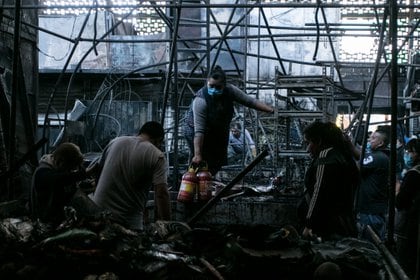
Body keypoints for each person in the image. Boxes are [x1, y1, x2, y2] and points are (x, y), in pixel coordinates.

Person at [183, 65, 274, 176]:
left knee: (218, 160)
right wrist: (197, 154)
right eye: (211, 86)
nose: (214, 90)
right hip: (197, 131)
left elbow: (250, 101)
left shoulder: (230, 91)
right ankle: (194, 185)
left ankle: (207, 183)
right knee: (201, 160)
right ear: (207, 83)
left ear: (224, 85)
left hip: (218, 129)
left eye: (218, 87)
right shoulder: (201, 100)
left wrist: (271, 110)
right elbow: (199, 131)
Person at [92, 121, 171, 230]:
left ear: (140, 133)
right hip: (128, 224)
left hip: (97, 217)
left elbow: (98, 172)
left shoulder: (115, 142)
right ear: (159, 141)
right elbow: (161, 194)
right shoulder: (157, 156)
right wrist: (168, 227)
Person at [300, 121, 359, 241]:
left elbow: (319, 192)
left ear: (319, 141)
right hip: (342, 223)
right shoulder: (343, 156)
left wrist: (309, 225)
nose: (307, 149)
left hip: (329, 226)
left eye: (309, 142)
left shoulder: (326, 156)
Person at [30, 142, 95, 225]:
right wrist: (84, 174)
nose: (69, 171)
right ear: (60, 161)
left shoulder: (57, 169)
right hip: (44, 223)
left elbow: (70, 185)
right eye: (69, 168)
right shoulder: (43, 172)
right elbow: (60, 179)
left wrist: (89, 184)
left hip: (58, 217)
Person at [355, 129, 390, 242]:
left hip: (372, 211)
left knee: (370, 246)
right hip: (372, 210)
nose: (370, 139)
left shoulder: (378, 157)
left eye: (374, 138)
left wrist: (348, 146)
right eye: (370, 137)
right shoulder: (376, 156)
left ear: (381, 143)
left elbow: (357, 167)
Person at [395, 138, 420, 279]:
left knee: (406, 265)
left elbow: (400, 202)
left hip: (410, 225)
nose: (408, 155)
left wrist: (398, 188)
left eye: (410, 152)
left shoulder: (413, 174)